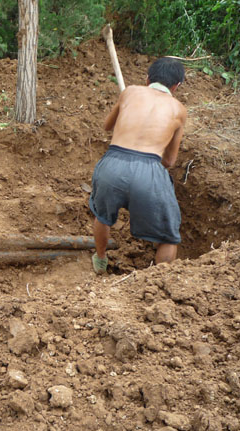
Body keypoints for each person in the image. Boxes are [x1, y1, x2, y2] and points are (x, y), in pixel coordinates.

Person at [89, 57, 187, 274]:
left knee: (103, 216)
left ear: (147, 79)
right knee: (169, 236)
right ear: (176, 86)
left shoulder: (130, 92)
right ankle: (161, 281)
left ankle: (100, 261)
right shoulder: (179, 109)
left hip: (112, 164)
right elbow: (170, 161)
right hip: (149, 170)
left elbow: (107, 126)